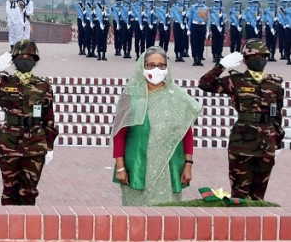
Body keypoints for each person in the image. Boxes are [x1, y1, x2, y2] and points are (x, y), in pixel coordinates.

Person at [0, 39, 58, 205]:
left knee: (29, 193)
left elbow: (49, 118)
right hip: (9, 144)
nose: (25, 60)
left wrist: (49, 146)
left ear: (35, 61)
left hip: (35, 145)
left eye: (29, 58)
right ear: (13, 60)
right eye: (21, 57)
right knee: (9, 192)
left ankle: (27, 229)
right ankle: (8, 229)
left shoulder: (43, 85)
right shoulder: (2, 82)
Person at [112, 46, 201, 206]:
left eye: (161, 65)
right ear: (142, 67)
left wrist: (188, 164)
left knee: (167, 214)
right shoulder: (132, 95)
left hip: (169, 164)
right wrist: (120, 166)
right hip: (137, 164)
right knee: (136, 215)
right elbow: (119, 133)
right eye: (151, 65)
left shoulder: (177, 96)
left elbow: (186, 132)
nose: (156, 69)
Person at [198, 39, 285, 200]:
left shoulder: (274, 83)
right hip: (242, 144)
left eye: (262, 56)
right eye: (254, 56)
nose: (259, 59)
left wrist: (278, 142)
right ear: (245, 60)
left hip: (267, 143)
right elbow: (205, 84)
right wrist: (221, 65)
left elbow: (277, 114)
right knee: (239, 195)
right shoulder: (235, 81)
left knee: (259, 197)